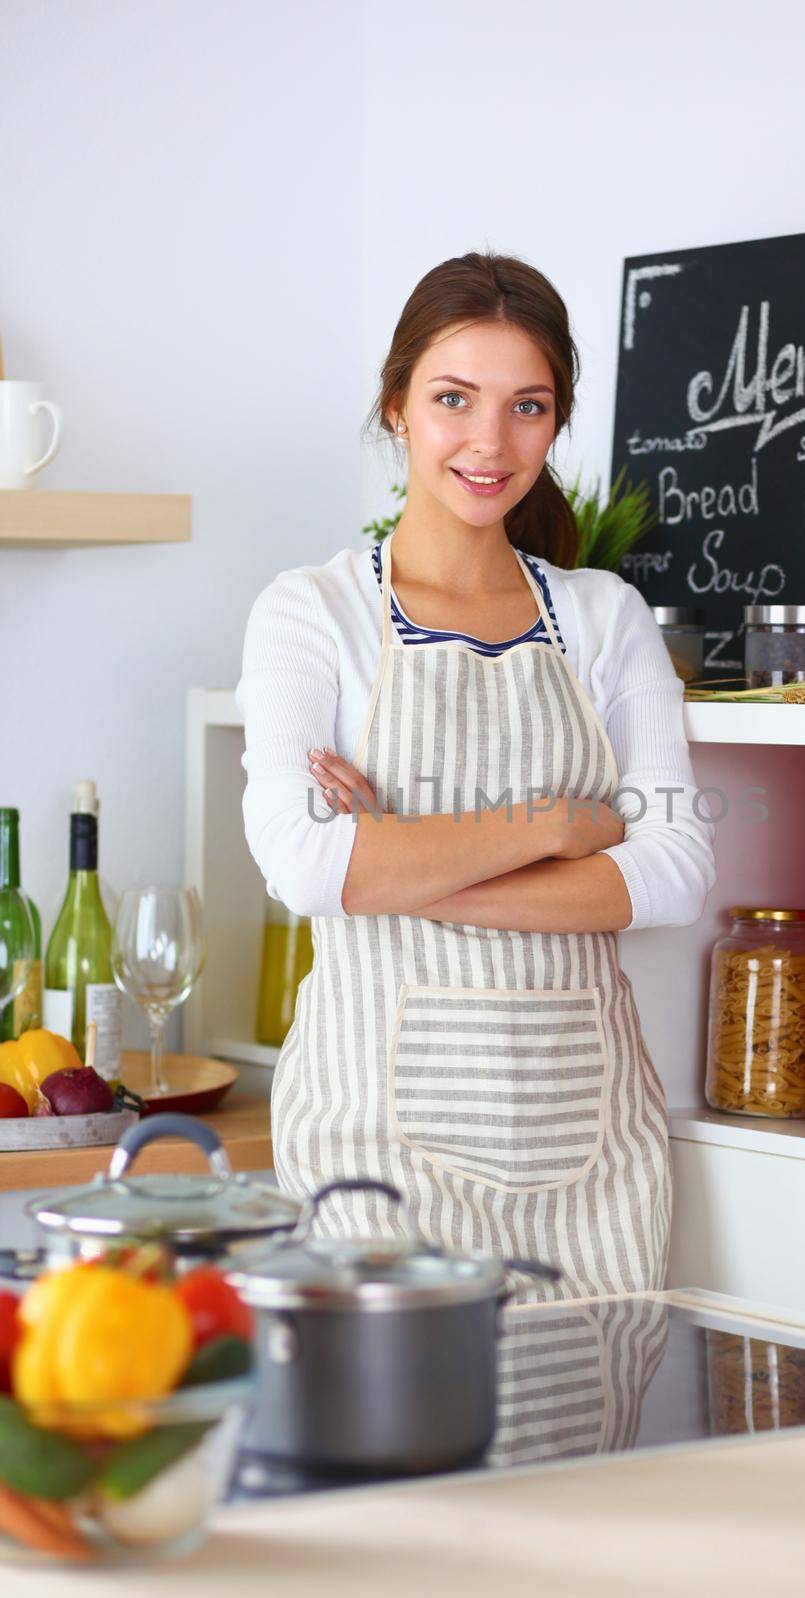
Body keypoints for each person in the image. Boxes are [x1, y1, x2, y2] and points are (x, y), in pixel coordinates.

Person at [237, 251, 716, 1299]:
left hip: (589, 1154)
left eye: (527, 407)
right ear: (397, 405)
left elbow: (676, 874)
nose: (489, 443)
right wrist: (557, 820)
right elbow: (310, 867)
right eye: (454, 398)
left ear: (555, 423)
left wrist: (408, 867)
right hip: (371, 1155)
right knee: (396, 1452)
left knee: (585, 1454)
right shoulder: (310, 614)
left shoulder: (602, 617)